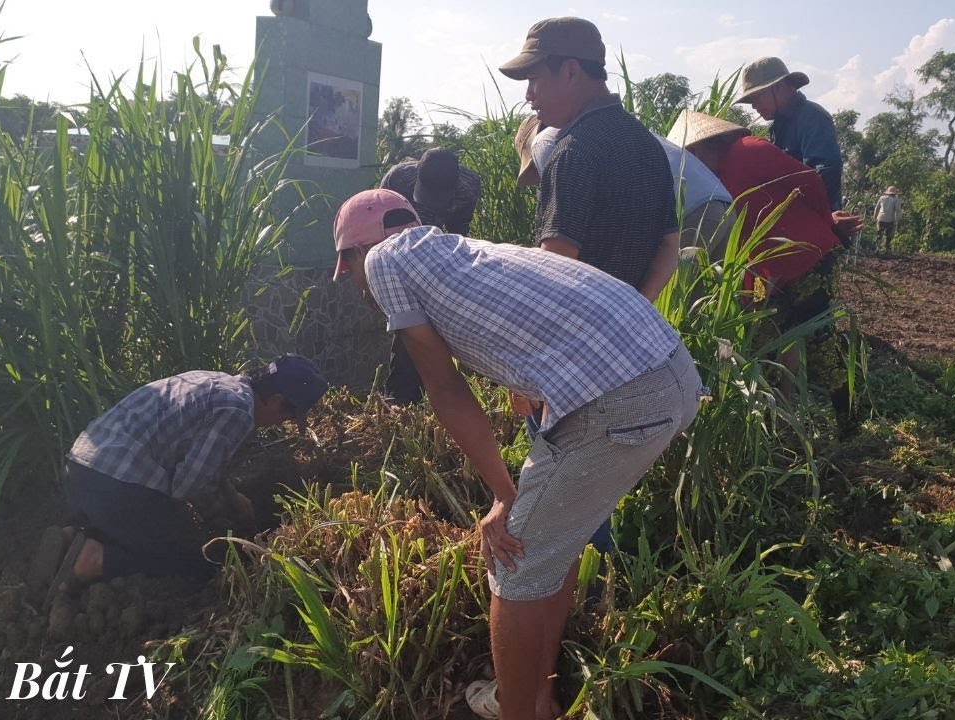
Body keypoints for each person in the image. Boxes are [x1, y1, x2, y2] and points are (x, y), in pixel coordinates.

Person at [332, 189, 700, 720]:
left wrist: (506, 497)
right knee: (553, 544)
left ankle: (516, 710)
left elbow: (446, 390)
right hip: (664, 372)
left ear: (354, 254)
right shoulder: (460, 256)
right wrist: (516, 486)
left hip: (626, 396)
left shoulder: (387, 259)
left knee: (517, 564)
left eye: (349, 271)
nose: (358, 288)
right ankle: (536, 699)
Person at [35, 355, 328, 598]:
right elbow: (188, 486)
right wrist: (219, 525)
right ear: (276, 401)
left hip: (81, 473)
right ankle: (94, 559)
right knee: (195, 563)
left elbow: (196, 460)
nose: (281, 424)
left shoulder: (216, 382)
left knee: (147, 531)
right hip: (119, 487)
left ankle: (74, 535)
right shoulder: (238, 411)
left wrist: (232, 495)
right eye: (287, 417)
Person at [668, 109, 861, 426]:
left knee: (818, 342)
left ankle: (851, 423)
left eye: (690, 153)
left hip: (807, 256)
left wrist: (827, 220)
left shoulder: (749, 150)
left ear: (703, 145)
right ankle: (779, 417)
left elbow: (809, 180)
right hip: (770, 270)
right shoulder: (711, 180)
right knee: (768, 337)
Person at [500, 16, 678, 299]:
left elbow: (556, 265)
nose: (528, 94)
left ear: (571, 71)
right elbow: (669, 244)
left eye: (534, 78)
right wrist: (638, 308)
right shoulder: (646, 143)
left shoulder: (573, 150)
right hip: (631, 324)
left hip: (579, 331)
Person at [519, 119, 735, 253]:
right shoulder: (603, 127)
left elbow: (565, 226)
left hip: (689, 215)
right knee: (705, 309)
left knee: (667, 308)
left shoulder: (546, 140)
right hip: (722, 204)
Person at [378, 148, 482, 404]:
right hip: (399, 252)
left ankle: (428, 396)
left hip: (436, 253)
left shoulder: (467, 188)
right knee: (407, 325)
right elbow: (378, 225)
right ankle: (400, 399)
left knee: (431, 325)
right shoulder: (398, 179)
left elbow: (459, 237)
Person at [735, 56, 844, 211]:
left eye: (757, 97)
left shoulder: (812, 117)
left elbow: (824, 174)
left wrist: (822, 216)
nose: (753, 106)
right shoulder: (779, 125)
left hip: (815, 219)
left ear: (779, 87)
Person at [874, 186, 903, 253]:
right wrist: (898, 219)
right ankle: (887, 249)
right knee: (889, 236)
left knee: (879, 234)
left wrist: (875, 217)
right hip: (890, 220)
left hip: (881, 218)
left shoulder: (882, 198)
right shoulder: (896, 199)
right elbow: (898, 210)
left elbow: (877, 208)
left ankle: (877, 248)